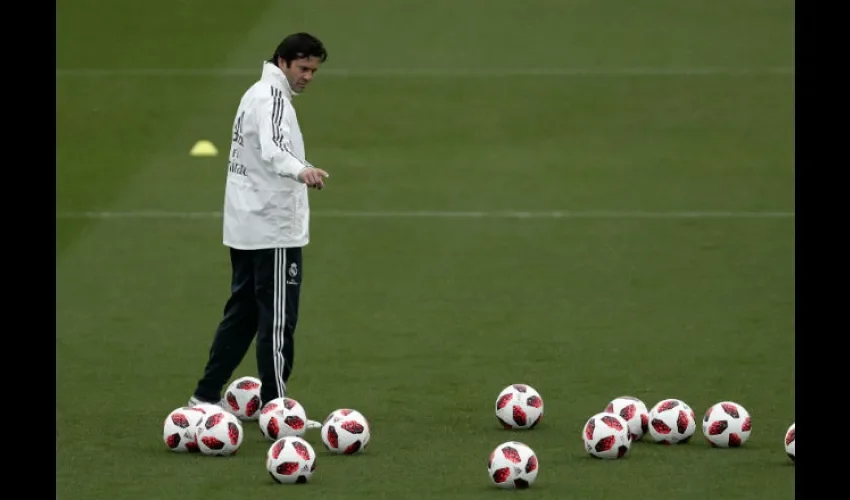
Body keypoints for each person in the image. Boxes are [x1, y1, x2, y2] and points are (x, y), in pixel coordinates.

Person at [187, 33, 330, 428]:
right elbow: (273, 149)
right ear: (283, 61)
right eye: (303, 68)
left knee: (244, 313)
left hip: (246, 223)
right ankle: (278, 410)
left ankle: (204, 396)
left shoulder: (254, 93)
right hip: (273, 228)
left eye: (313, 71)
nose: (308, 77)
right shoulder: (272, 97)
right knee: (278, 318)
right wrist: (302, 169)